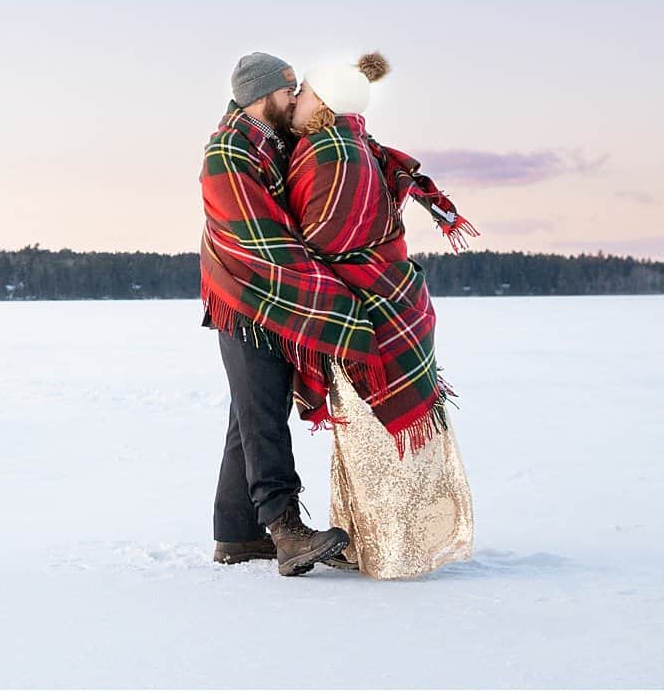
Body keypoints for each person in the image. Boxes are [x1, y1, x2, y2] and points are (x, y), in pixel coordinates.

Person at [283, 51, 477, 579]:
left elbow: (327, 239)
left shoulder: (333, 153)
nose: (293, 102)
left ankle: (395, 552)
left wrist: (280, 271)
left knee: (374, 436)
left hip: (367, 312)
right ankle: (385, 542)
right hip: (388, 302)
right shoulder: (353, 145)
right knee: (372, 436)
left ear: (321, 101)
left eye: (301, 93)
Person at [199, 51, 369, 577]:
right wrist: (332, 295)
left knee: (249, 418)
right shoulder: (228, 153)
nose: (294, 98)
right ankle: (285, 529)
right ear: (260, 95)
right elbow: (261, 242)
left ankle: (238, 536)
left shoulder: (270, 142)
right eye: (287, 90)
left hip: (260, 303)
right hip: (244, 300)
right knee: (262, 420)